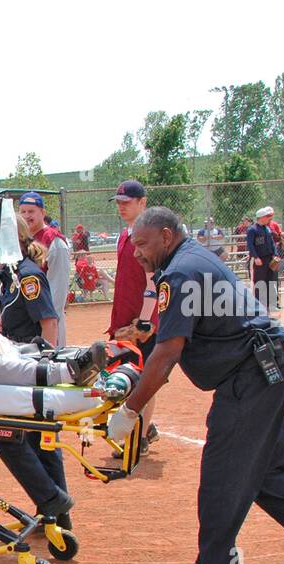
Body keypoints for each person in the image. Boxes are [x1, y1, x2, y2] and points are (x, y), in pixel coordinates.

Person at [107, 207, 284, 564]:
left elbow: (166, 357)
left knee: (222, 476)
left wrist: (129, 411)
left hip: (253, 375)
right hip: (270, 364)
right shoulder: (192, 257)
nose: (136, 252)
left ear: (164, 236)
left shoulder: (179, 272)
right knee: (261, 475)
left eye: (141, 244)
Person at [0, 219, 89, 523]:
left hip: (29, 364)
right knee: (37, 440)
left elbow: (49, 322)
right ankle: (55, 514)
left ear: (10, 241)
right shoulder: (11, 277)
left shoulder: (28, 278)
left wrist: (45, 369)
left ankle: (54, 506)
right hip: (17, 362)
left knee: (16, 436)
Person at [106, 180, 160, 446]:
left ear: (142, 203)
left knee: (145, 379)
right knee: (126, 374)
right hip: (124, 317)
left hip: (143, 321)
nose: (121, 207)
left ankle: (139, 437)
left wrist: (145, 321)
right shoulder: (125, 234)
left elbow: (153, 282)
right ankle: (146, 428)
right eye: (118, 202)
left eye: (126, 202)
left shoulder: (147, 236)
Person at [17, 192, 70, 346]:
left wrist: (49, 323)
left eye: (31, 211)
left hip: (45, 320)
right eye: (23, 212)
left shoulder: (54, 241)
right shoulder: (20, 241)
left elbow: (58, 291)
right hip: (23, 322)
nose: (27, 216)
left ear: (43, 213)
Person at [246, 206, 280, 312]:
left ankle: (272, 304)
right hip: (259, 259)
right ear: (261, 217)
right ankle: (258, 305)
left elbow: (272, 243)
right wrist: (255, 257)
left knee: (271, 280)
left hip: (270, 258)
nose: (269, 218)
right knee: (259, 282)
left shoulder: (267, 228)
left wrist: (275, 254)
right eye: (267, 216)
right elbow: (250, 245)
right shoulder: (252, 229)